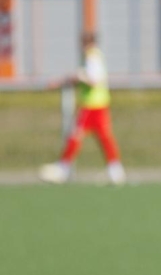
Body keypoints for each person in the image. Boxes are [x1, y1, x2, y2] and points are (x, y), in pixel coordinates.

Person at [39, 32, 126, 185]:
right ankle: (115, 170)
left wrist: (78, 77)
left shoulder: (92, 57)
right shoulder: (91, 57)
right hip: (97, 105)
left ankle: (63, 168)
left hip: (92, 106)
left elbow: (94, 80)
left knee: (77, 136)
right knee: (103, 137)